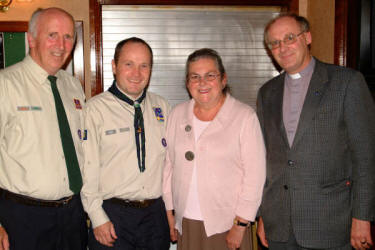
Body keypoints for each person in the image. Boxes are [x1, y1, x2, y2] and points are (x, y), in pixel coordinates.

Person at [256, 13, 375, 250]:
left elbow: (365, 156)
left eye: (290, 38)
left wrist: (362, 217)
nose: (283, 47)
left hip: (330, 224)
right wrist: (263, 216)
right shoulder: (267, 93)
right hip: (279, 226)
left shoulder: (347, 83)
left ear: (307, 37)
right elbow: (265, 160)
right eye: (275, 43)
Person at [0, 7, 87, 250]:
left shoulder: (73, 86)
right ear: (31, 39)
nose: (61, 44)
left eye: (68, 36)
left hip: (72, 214)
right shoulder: (5, 85)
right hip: (23, 217)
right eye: (52, 35)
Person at [163, 48, 266, 250]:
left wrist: (241, 224)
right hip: (187, 222)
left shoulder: (244, 117)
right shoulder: (177, 114)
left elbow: (255, 176)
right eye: (195, 77)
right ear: (187, 83)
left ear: (223, 79)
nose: (202, 83)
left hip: (227, 225)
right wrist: (170, 213)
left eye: (210, 75)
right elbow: (168, 168)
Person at [81, 37, 171, 250]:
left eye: (144, 66)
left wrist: (170, 211)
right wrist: (97, 216)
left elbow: (171, 166)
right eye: (128, 64)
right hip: (113, 215)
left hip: (155, 216)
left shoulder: (163, 107)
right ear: (114, 66)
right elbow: (87, 169)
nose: (136, 73)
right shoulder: (95, 110)